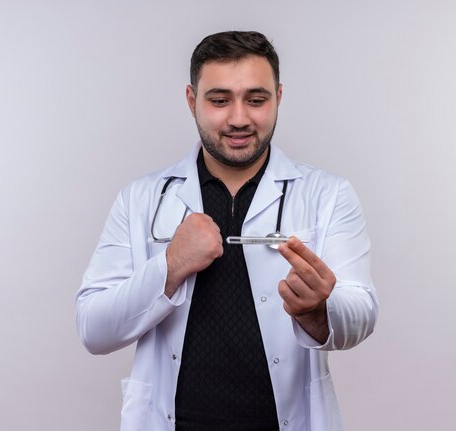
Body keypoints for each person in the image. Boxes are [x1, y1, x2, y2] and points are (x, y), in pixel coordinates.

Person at [76, 31, 378, 431]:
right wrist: (169, 267)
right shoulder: (141, 198)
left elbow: (362, 312)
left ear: (279, 97)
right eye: (219, 100)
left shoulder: (327, 194)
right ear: (191, 101)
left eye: (256, 99)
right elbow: (93, 329)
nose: (239, 118)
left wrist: (319, 312)